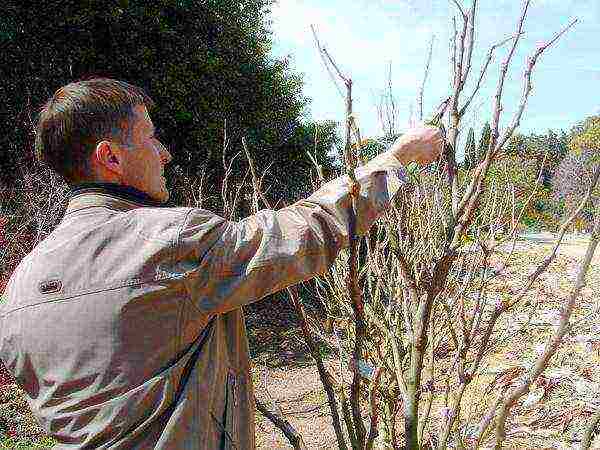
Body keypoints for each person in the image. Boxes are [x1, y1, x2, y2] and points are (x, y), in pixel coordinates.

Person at [0, 78, 443, 449]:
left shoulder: (18, 290)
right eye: (151, 138)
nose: (164, 153)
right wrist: (397, 158)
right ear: (110, 158)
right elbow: (307, 231)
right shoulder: (170, 244)